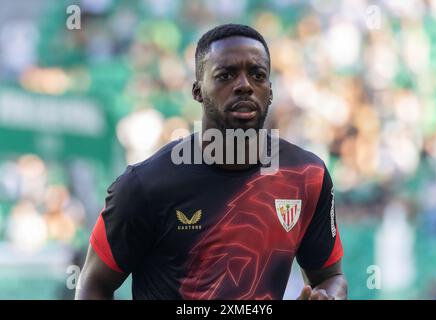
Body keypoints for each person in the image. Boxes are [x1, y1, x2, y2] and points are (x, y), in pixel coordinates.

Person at [75, 23, 347, 300]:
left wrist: (328, 297)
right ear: (197, 90)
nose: (244, 86)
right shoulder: (144, 185)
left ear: (271, 90)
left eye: (257, 75)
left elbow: (330, 277)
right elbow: (93, 284)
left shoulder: (307, 175)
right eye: (225, 75)